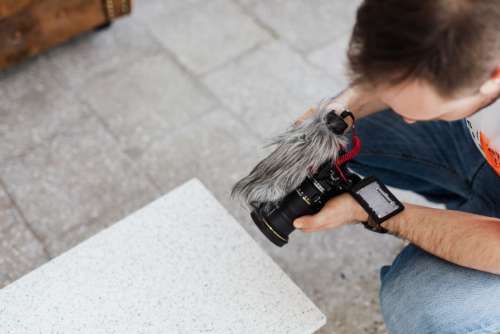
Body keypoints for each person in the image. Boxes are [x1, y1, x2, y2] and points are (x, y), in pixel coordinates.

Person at [293, 1, 500, 333]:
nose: (406, 119)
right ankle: (462, 209)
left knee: (422, 308)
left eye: (420, 113)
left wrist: (373, 208)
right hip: (484, 147)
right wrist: (336, 114)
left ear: (493, 76)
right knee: (340, 135)